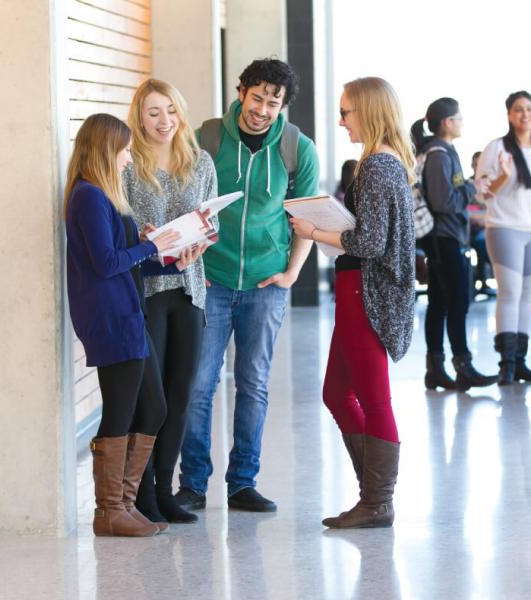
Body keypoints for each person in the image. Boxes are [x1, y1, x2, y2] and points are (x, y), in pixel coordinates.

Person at [176, 59, 321, 513]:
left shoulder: (298, 147)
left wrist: (293, 272)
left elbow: (308, 218)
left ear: (282, 106)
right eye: (256, 98)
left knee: (253, 384)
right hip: (213, 279)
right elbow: (184, 199)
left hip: (266, 281)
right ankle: (194, 483)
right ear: (241, 92)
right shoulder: (209, 138)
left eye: (272, 103)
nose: (262, 110)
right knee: (198, 384)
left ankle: (242, 482)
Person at [64, 113, 203, 537]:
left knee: (154, 407)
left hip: (126, 312)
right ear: (107, 150)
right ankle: (109, 511)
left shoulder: (103, 196)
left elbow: (124, 253)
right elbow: (106, 264)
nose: (128, 159)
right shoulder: (87, 197)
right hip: (109, 317)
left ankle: (123, 504)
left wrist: (163, 251)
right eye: (124, 151)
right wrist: (148, 244)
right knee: (122, 411)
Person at [289, 76, 416, 528]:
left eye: (347, 112)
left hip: (366, 292)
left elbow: (370, 241)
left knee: (373, 398)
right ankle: (373, 494)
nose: (341, 121)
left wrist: (313, 230)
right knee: (335, 392)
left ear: (370, 112)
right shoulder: (383, 163)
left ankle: (378, 501)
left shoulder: (379, 167)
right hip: (356, 290)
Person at [123, 79, 217, 525]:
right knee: (152, 397)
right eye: (154, 112)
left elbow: (209, 221)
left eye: (170, 111)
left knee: (181, 394)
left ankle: (166, 488)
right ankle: (140, 493)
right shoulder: (128, 167)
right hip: (148, 293)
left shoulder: (200, 162)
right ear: (140, 118)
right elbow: (124, 230)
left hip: (191, 288)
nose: (164, 121)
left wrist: (203, 243)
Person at [412, 98, 497, 391]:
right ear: (447, 122)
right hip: (443, 238)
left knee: (440, 302)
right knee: (457, 301)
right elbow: (443, 201)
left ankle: (436, 368)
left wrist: (470, 188)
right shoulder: (438, 155)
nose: (462, 123)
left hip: (443, 238)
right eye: (459, 118)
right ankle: (462, 365)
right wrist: (472, 188)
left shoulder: (442, 152)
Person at [476, 91, 531, 385]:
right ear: (509, 114)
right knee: (509, 293)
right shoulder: (496, 149)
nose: (525, 114)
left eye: (529, 109)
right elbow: (481, 193)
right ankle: (506, 364)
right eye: (518, 109)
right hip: (504, 227)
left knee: (528, 296)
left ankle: (520, 361)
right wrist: (504, 175)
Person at [468, 151, 493, 299]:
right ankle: (481, 280)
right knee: (482, 242)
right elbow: (468, 211)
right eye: (476, 164)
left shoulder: (493, 184)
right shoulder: (469, 185)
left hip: (491, 227)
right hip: (474, 230)